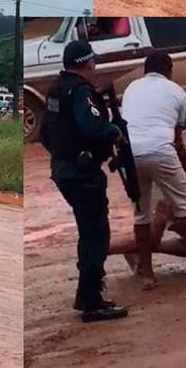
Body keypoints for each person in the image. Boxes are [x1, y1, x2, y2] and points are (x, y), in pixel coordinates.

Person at [40, 40, 127, 322]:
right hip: (82, 174)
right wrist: (113, 131)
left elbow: (44, 134)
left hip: (64, 169)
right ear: (87, 63)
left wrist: (64, 153)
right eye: (93, 62)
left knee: (88, 232)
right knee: (96, 236)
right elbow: (89, 125)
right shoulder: (79, 91)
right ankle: (92, 302)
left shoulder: (56, 88)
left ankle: (85, 296)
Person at [119, 51, 186, 288]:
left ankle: (147, 273)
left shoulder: (131, 88)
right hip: (160, 150)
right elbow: (177, 140)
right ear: (169, 69)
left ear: (146, 70)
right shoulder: (176, 91)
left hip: (130, 154)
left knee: (141, 214)